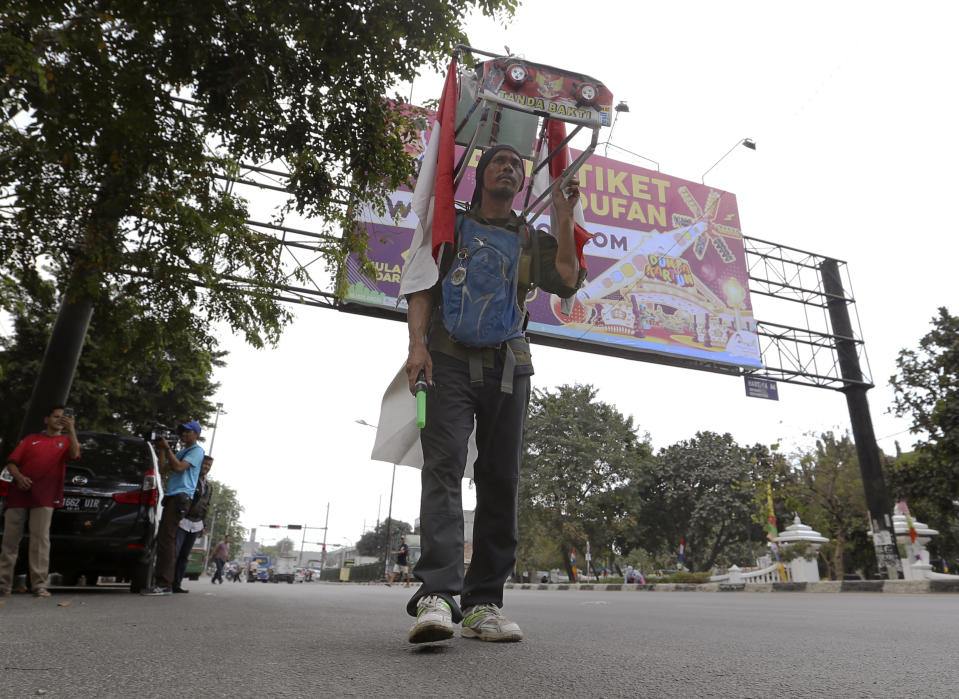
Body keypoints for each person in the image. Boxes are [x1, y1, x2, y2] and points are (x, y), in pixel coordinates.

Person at [403, 144, 583, 643]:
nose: (509, 168)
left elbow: (567, 281)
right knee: (442, 469)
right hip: (449, 360)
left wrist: (564, 219)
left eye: (517, 166)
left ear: (523, 183)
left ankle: (484, 604)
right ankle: (437, 597)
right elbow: (421, 286)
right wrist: (417, 348)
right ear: (480, 175)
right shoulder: (452, 226)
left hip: (509, 365)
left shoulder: (530, 236)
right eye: (499, 162)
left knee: (500, 478)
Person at [0, 405, 81, 597]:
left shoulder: (65, 441)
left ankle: (39, 585)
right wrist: (19, 477)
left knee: (40, 541)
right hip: (19, 495)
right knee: (9, 541)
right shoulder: (31, 439)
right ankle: (3, 584)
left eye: (63, 418)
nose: (59, 420)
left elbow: (75, 454)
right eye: (56, 416)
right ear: (47, 419)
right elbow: (11, 463)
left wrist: (71, 430)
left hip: (45, 496)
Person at [141, 420, 204, 595]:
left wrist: (167, 448)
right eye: (182, 431)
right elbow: (162, 469)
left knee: (167, 540)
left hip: (180, 497)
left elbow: (178, 467)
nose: (184, 434)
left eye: (188, 431)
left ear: (196, 434)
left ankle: (164, 584)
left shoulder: (196, 451)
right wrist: (161, 449)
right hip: (173, 496)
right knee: (164, 539)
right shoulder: (183, 451)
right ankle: (163, 582)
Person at [171, 455, 214, 592]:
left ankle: (176, 584)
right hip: (182, 521)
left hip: (196, 524)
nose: (206, 467)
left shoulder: (208, 486)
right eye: (204, 464)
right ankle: (165, 582)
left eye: (209, 466)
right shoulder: (189, 479)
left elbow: (206, 506)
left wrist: (203, 525)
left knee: (184, 556)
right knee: (174, 553)